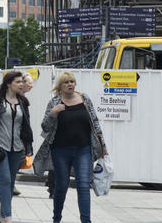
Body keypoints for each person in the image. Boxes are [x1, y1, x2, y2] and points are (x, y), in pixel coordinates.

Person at [34, 71, 107, 223]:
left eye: (72, 82)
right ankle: (57, 218)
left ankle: (86, 221)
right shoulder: (54, 103)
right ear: (60, 86)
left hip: (83, 149)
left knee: (83, 184)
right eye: (66, 82)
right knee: (61, 185)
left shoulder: (85, 99)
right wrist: (53, 114)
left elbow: (95, 124)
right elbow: (45, 127)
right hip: (60, 150)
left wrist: (103, 147)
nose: (70, 85)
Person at [0, 71, 33, 223]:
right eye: (18, 82)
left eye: (21, 82)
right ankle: (8, 218)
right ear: (8, 83)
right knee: (5, 179)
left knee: (10, 182)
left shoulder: (23, 101)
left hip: (17, 149)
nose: (21, 84)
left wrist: (28, 146)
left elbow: (26, 126)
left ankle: (2, 217)